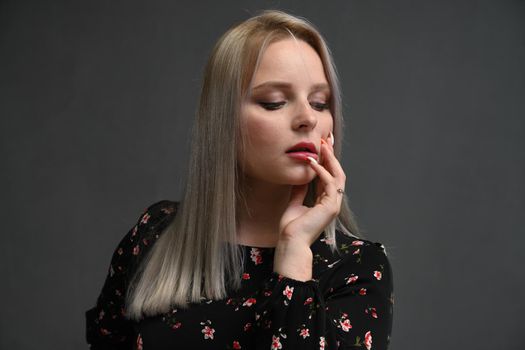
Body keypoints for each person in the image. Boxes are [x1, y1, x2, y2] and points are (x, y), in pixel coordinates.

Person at [85, 9, 393, 350]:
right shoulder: (156, 234)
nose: (308, 118)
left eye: (320, 103)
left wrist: (293, 255)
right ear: (223, 120)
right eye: (274, 102)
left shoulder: (357, 268)